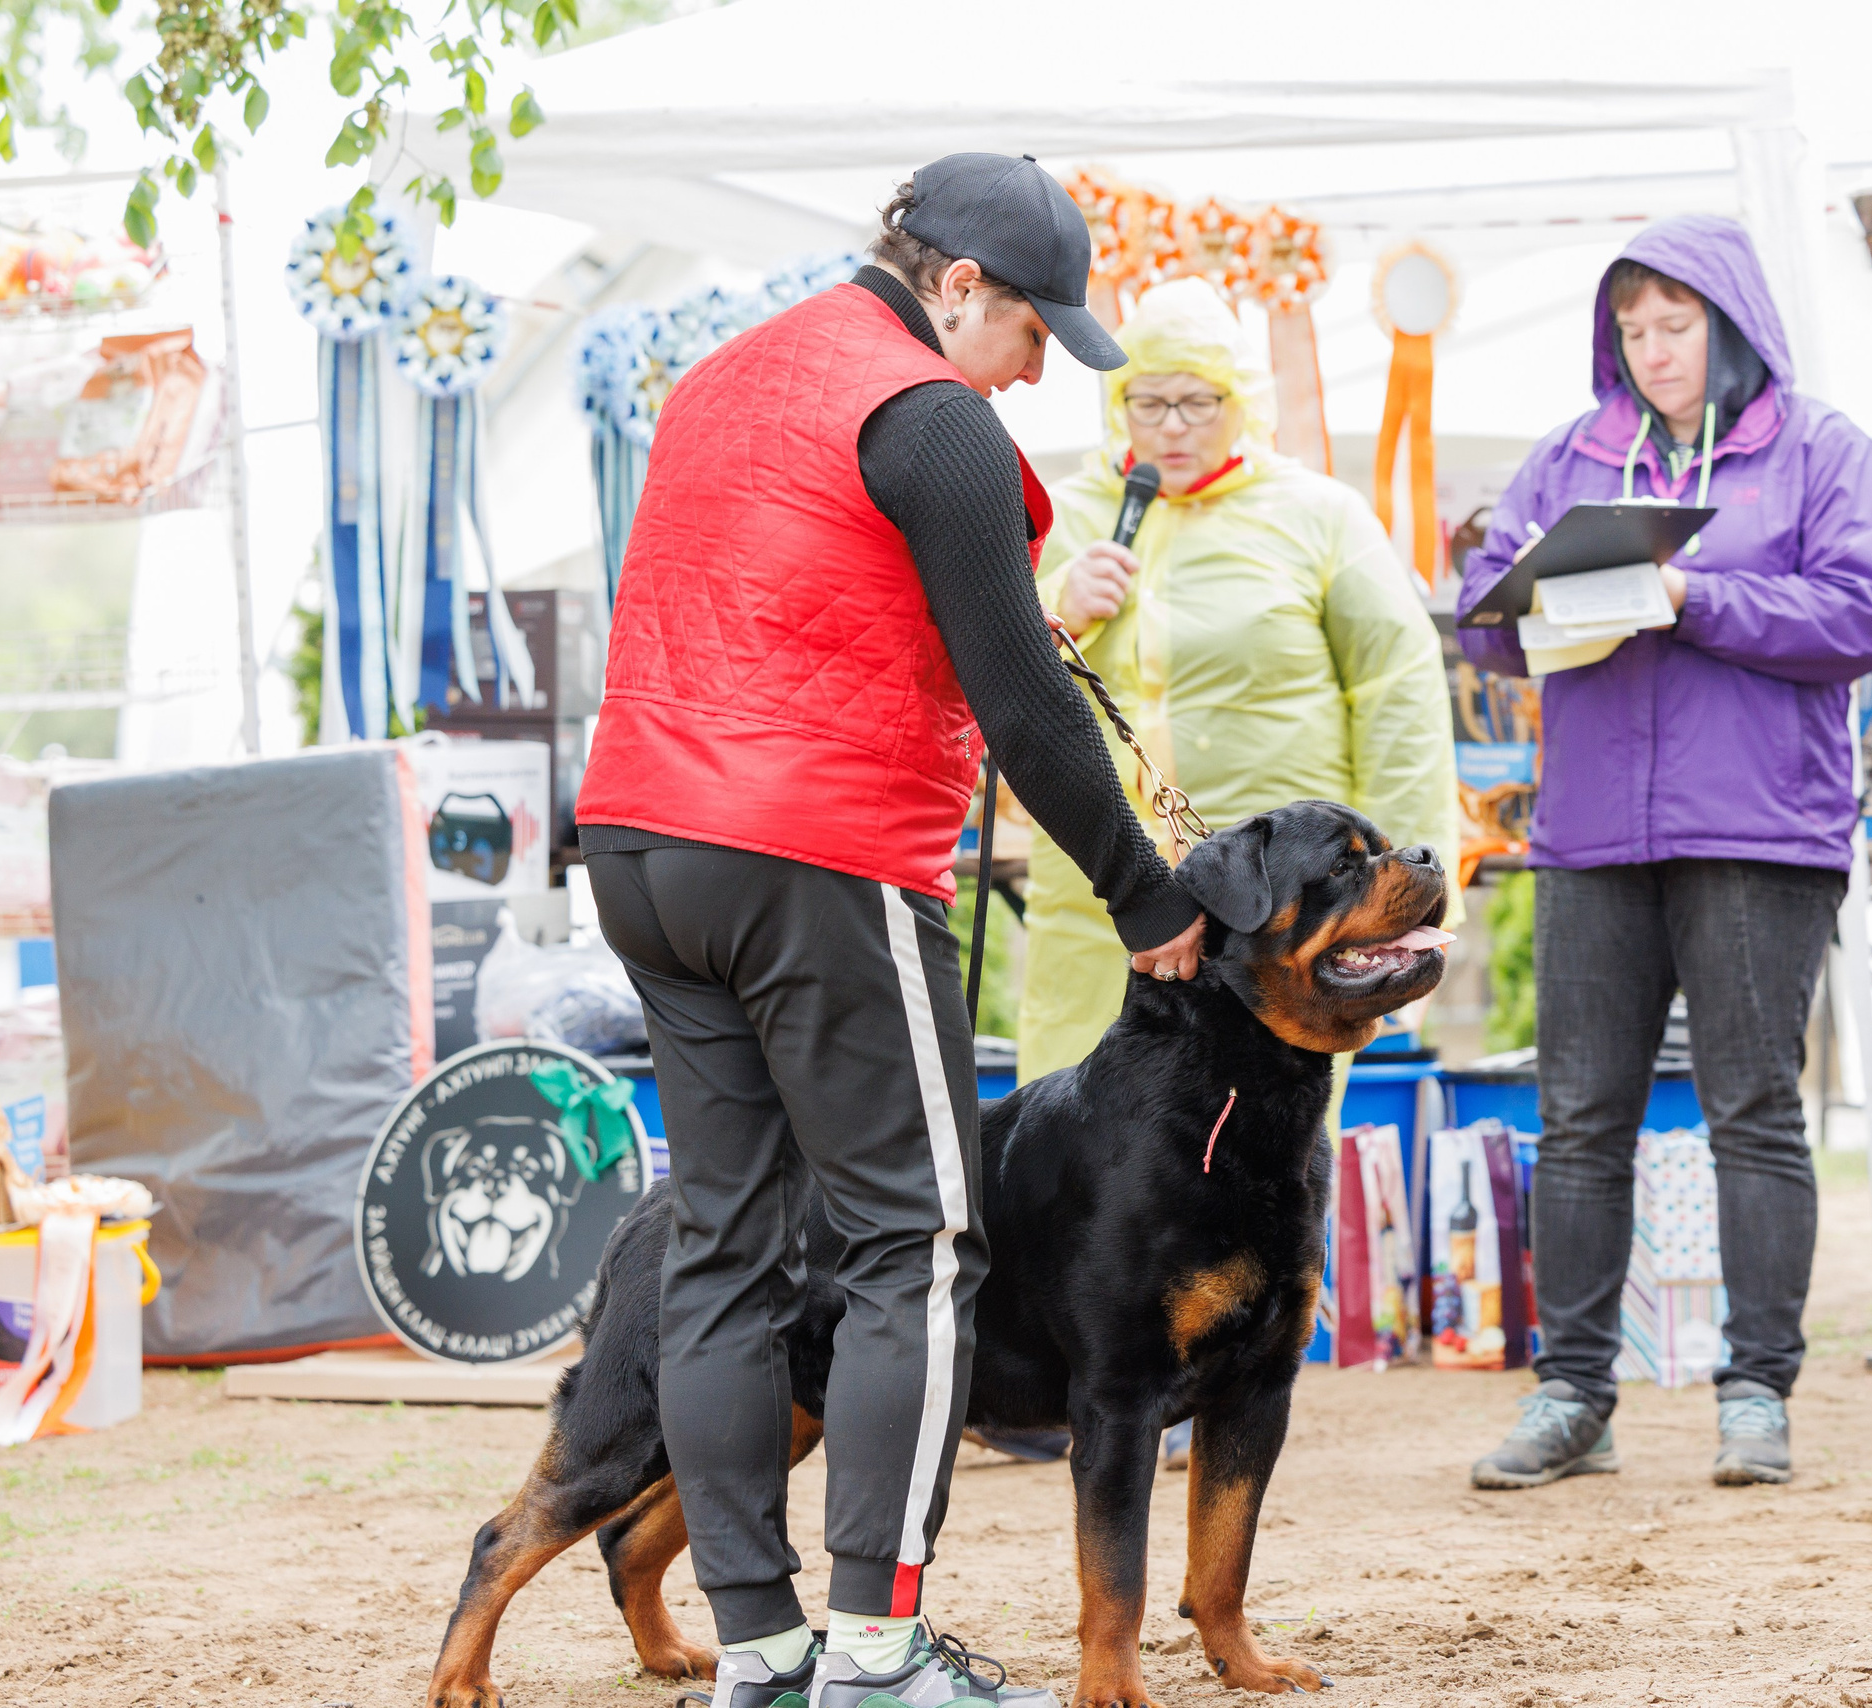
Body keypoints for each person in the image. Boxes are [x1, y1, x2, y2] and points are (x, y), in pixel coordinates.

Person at [571, 154, 1206, 1708]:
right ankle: (876, 1648)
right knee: (911, 1244)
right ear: (959, 287)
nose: (1042, 363)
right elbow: (1030, 714)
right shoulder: (934, 419)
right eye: (1036, 326)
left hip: (642, 837)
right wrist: (1145, 894)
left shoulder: (725, 378)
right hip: (819, 854)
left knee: (723, 1243)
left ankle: (761, 1652)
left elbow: (810, 600)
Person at [1454, 215, 1872, 1490]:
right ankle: (1571, 1394)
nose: (1653, 352)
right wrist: (1520, 599)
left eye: (1677, 325)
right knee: (1577, 1117)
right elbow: (1487, 621)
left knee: (1752, 1111)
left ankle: (1756, 1392)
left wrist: (1692, 594)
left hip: (1762, 828)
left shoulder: (1823, 452)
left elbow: (1862, 615)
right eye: (1633, 330)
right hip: (1592, 831)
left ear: (1735, 321)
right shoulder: (1572, 457)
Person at [1020, 277, 1461, 1086]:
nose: (1174, 426)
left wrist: (1405, 905)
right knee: (1074, 1154)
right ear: (1118, 402)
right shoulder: (1059, 515)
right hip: (1100, 900)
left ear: (1245, 402)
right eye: (1149, 403)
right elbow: (979, 670)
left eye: (1201, 401)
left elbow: (1402, 703)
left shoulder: (1320, 516)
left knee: (1262, 1164)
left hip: (1285, 917)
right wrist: (1055, 606)